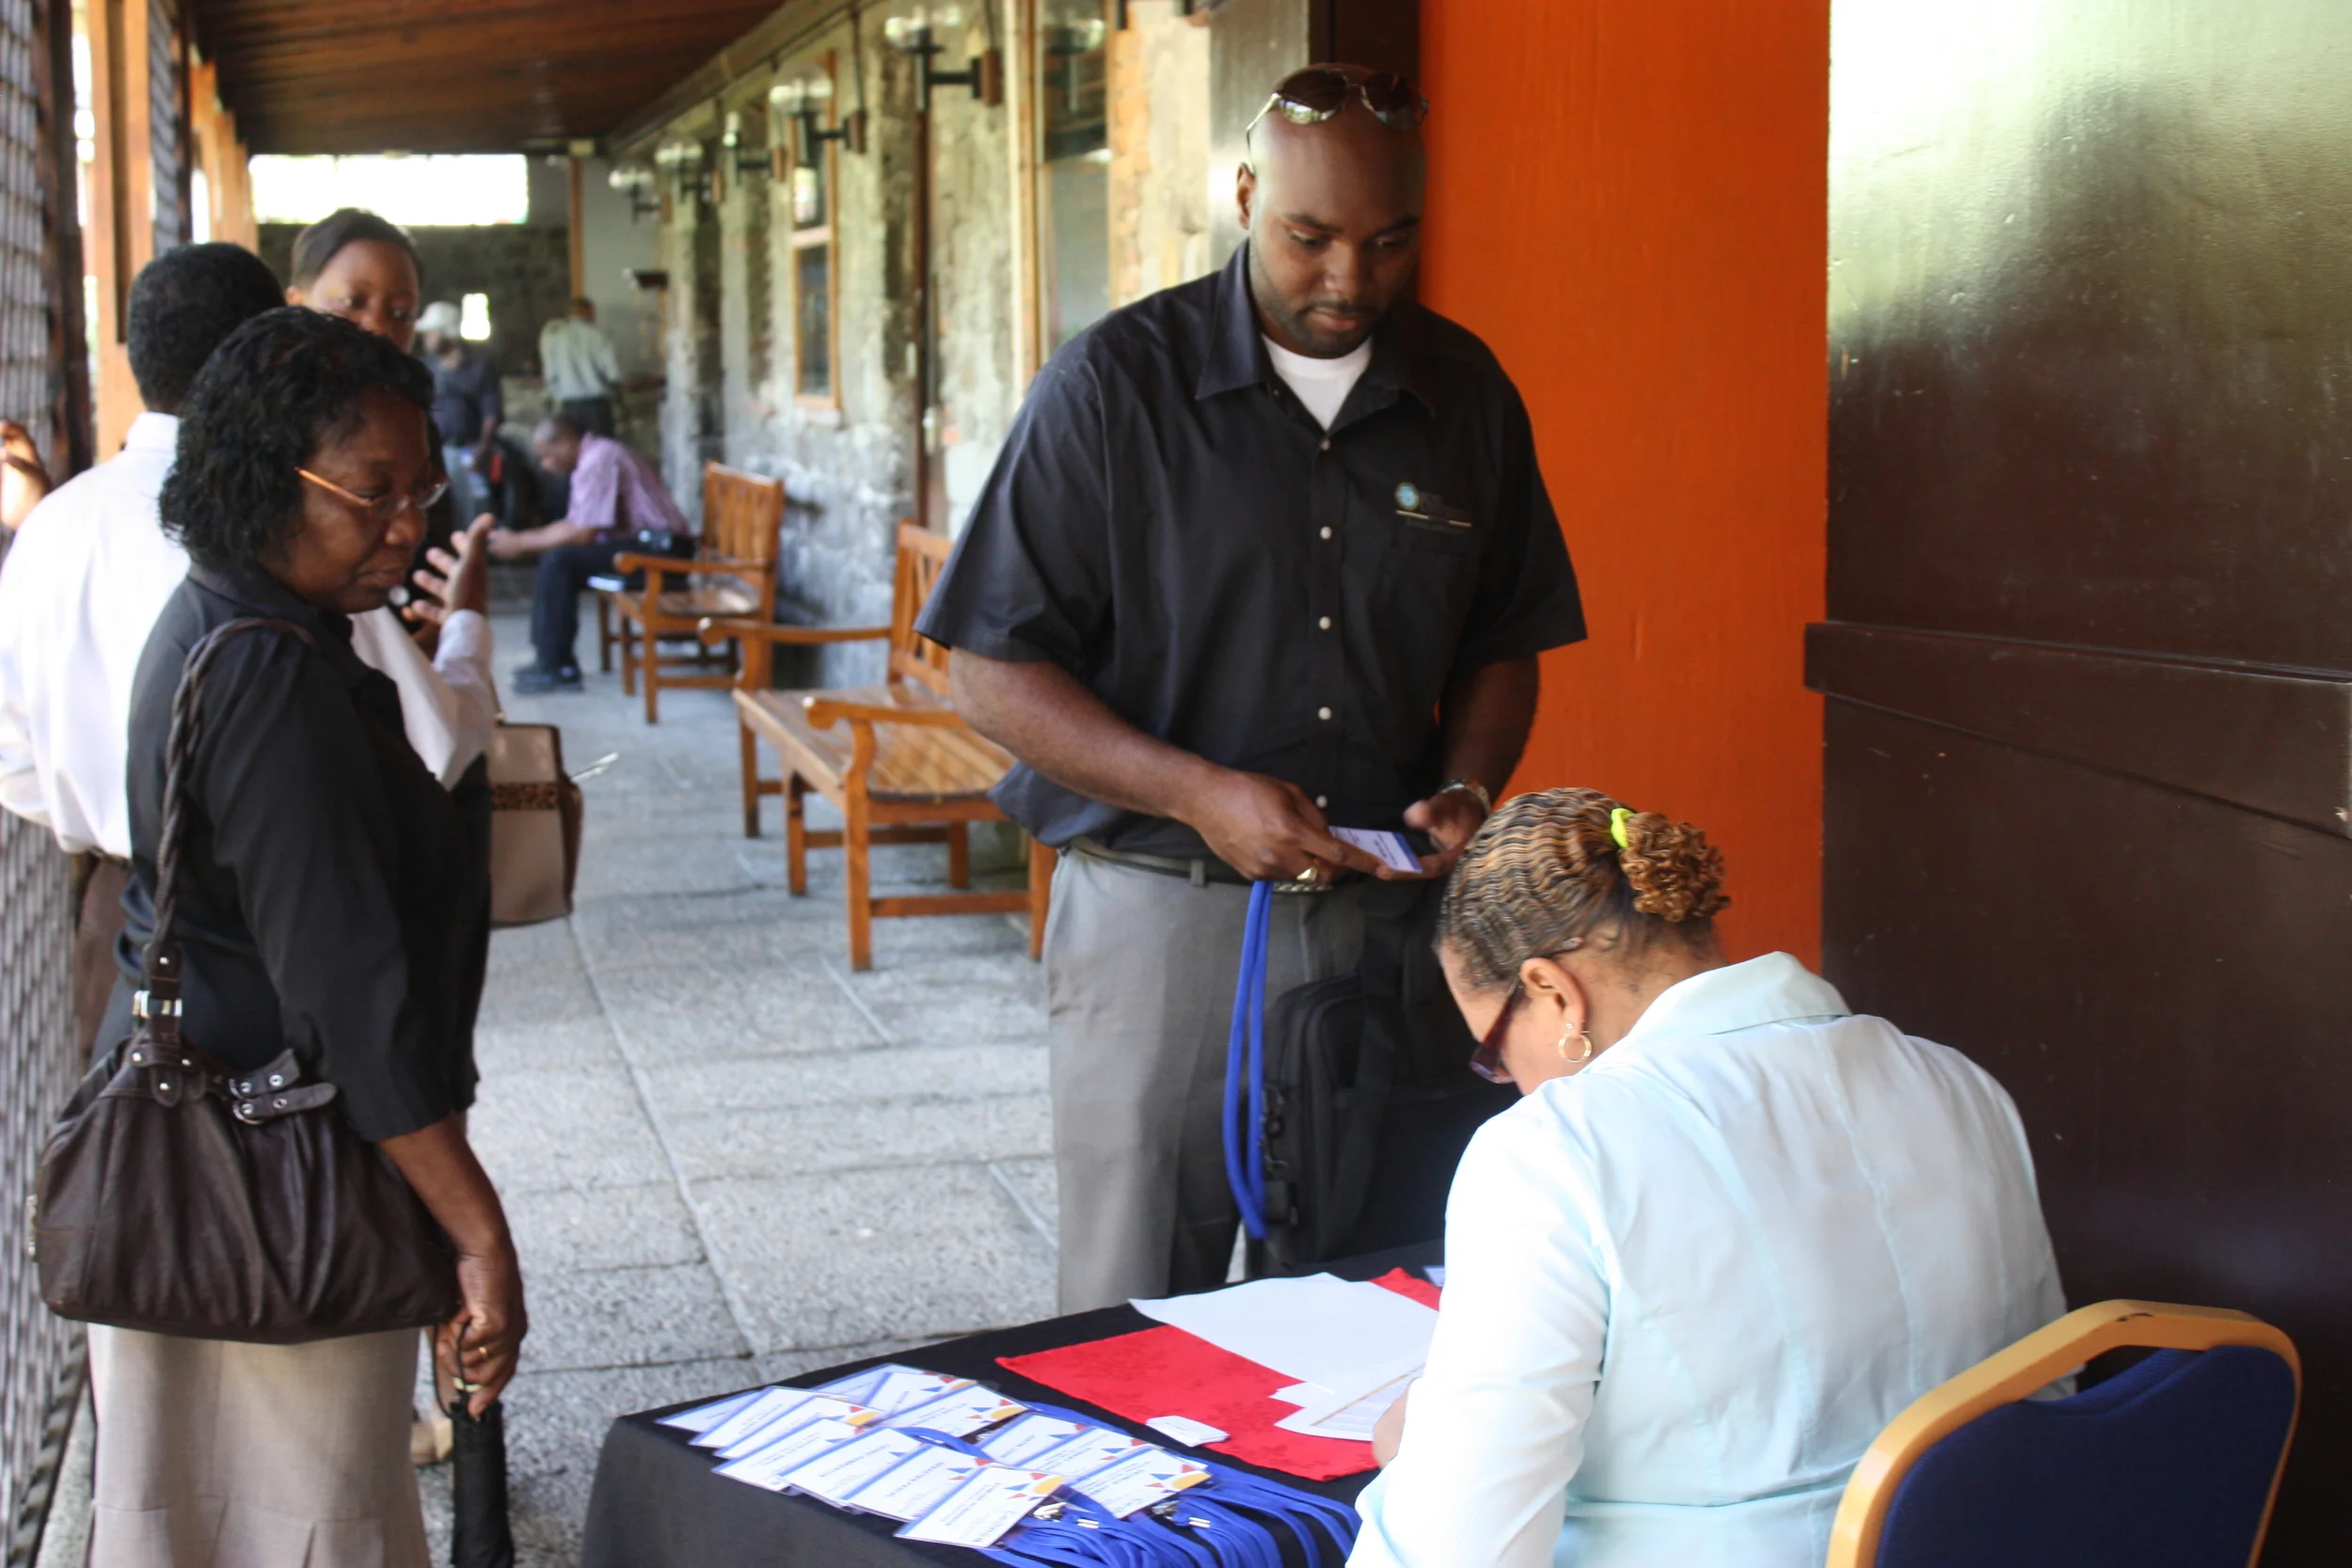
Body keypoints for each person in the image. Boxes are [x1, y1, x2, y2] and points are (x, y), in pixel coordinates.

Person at [914, 65, 1587, 1310]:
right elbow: (986, 666)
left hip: (1387, 930)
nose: (1349, 278)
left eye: (1388, 241)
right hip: (1162, 918)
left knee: (1364, 1298)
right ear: (1241, 196)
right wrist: (1196, 791)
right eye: (1310, 235)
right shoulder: (1116, 386)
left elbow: (1507, 635)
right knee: (1127, 1313)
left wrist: (1466, 782)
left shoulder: (1467, 394)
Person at [1347, 787, 2064, 1568]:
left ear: (1555, 992)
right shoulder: (1957, 1083)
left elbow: (1457, 1550)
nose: (1507, 1079)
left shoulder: (1554, 1151)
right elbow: (2043, 1396)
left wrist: (1427, 1454)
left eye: (1493, 1048)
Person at [87, 307, 526, 1568]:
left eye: (421, 492)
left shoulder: (240, 616)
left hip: (231, 1131)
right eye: (373, 494)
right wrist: (477, 1231)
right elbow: (345, 989)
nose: (408, 526)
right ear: (270, 477)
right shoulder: (271, 668)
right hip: (271, 1168)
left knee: (224, 1512)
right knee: (303, 1511)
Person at [0, 242, 494, 1062]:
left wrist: (109, 813)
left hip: (125, 921)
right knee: (320, 1166)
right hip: (280, 925)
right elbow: (434, 743)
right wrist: (468, 633)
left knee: (147, 1166)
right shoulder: (287, 529)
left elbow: (15, 758)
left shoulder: (54, 524)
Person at [488, 413, 691, 693]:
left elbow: (583, 531)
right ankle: (549, 659)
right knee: (558, 558)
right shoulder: (594, 456)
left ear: (564, 443)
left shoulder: (600, 458)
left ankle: (557, 666)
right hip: (650, 546)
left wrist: (520, 542)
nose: (546, 465)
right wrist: (523, 541)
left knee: (560, 561)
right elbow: (578, 524)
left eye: (546, 456)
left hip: (664, 553)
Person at [418, 299, 503, 523]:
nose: (426, 338)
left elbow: (491, 411)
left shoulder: (479, 367)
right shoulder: (425, 368)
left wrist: (483, 448)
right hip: (437, 452)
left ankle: (479, 550)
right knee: (443, 510)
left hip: (470, 450)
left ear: (448, 333)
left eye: (432, 333)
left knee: (475, 506)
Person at [540, 296, 623, 436]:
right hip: (597, 406)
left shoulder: (553, 338)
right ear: (589, 312)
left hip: (568, 406)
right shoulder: (599, 335)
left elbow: (550, 376)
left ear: (569, 314)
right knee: (600, 451)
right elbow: (614, 374)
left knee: (575, 453)